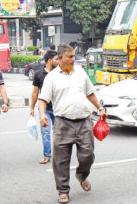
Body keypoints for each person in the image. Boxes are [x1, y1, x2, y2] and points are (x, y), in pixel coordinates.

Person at [38, 44, 105, 203]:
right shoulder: (52, 77)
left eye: (74, 56)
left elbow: (90, 93)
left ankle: (81, 175)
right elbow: (42, 99)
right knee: (61, 160)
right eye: (70, 56)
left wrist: (100, 108)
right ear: (60, 58)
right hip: (62, 123)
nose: (73, 59)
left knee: (87, 155)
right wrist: (42, 115)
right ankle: (63, 190)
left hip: (84, 122)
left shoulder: (81, 73)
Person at [30, 50, 59, 164]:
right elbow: (35, 92)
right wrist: (32, 107)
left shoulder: (59, 73)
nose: (58, 61)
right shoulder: (39, 74)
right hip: (45, 109)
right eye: (56, 59)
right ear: (49, 60)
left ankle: (60, 154)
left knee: (59, 133)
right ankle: (47, 155)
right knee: (45, 132)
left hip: (58, 109)